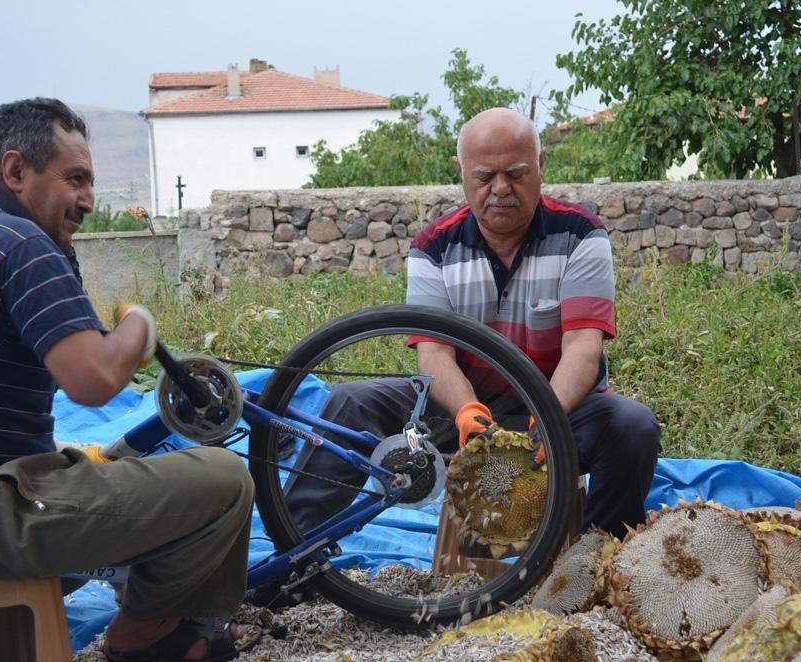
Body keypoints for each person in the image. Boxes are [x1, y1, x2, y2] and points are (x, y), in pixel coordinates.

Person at [0, 98, 258, 661]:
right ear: (15, 171)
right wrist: (139, 324)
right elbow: (94, 382)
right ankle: (146, 636)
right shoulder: (22, 244)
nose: (88, 200)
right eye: (76, 179)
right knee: (225, 478)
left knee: (99, 474)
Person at [283, 107, 661, 542]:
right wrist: (466, 412)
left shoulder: (581, 235)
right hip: (462, 411)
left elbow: (582, 347)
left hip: (558, 409)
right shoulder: (433, 246)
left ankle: (599, 554)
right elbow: (434, 353)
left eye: (516, 174)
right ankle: (295, 550)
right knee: (350, 404)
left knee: (632, 426)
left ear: (541, 166)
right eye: (484, 176)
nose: (500, 189)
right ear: (461, 172)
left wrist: (548, 418)